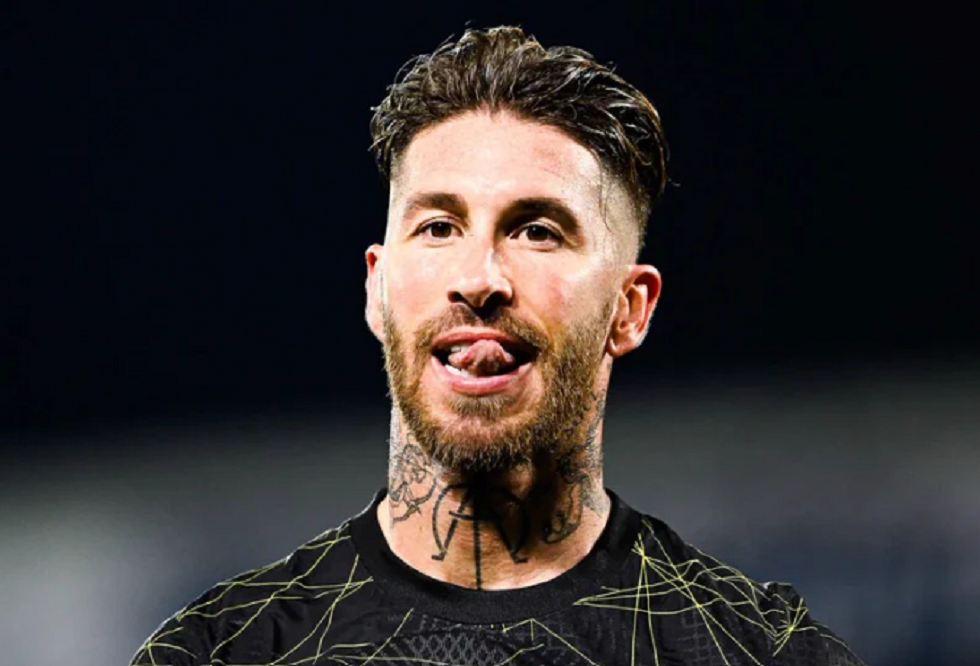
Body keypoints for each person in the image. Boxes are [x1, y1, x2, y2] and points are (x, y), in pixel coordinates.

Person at [130, 26, 865, 666]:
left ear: (629, 309)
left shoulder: (760, 652)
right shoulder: (223, 652)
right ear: (377, 289)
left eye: (537, 231)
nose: (479, 278)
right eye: (438, 227)